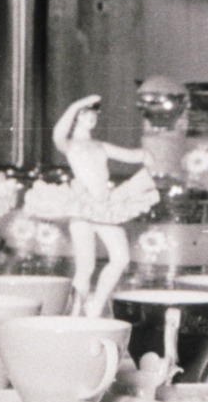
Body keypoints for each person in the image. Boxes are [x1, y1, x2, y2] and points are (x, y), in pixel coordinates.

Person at [22, 94, 159, 317]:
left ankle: (95, 305)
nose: (91, 118)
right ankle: (76, 313)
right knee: (86, 265)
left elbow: (131, 155)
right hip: (83, 208)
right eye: (86, 115)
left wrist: (147, 155)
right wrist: (78, 104)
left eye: (93, 115)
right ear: (77, 118)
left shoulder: (99, 145)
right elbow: (58, 131)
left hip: (104, 205)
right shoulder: (69, 144)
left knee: (120, 258)